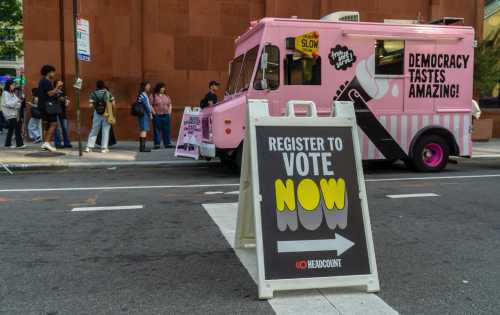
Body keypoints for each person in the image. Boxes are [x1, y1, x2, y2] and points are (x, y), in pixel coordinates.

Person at [38, 65, 63, 152]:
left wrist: (56, 91)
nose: (54, 74)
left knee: (47, 125)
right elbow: (50, 94)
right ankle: (47, 143)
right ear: (49, 72)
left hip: (43, 106)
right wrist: (57, 87)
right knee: (54, 124)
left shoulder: (42, 81)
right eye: (53, 72)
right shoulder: (46, 81)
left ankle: (45, 144)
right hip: (48, 106)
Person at [85, 80, 114, 153]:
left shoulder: (93, 94)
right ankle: (104, 148)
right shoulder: (108, 93)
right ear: (104, 86)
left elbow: (90, 105)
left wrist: (96, 106)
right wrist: (112, 112)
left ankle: (89, 147)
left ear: (97, 86)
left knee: (94, 129)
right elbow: (113, 103)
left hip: (97, 113)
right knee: (105, 130)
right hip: (107, 113)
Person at [1, 80, 25, 148]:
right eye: (12, 85)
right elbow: (9, 104)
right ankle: (19, 144)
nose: (13, 86)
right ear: (9, 85)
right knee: (17, 128)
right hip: (9, 113)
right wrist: (16, 102)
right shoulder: (5, 93)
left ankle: (7, 144)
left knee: (11, 129)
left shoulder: (13, 93)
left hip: (13, 113)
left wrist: (16, 103)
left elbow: (19, 104)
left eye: (14, 85)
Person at [151, 82, 173, 149]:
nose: (163, 89)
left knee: (167, 129)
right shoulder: (153, 96)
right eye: (162, 87)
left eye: (164, 87)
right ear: (158, 88)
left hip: (166, 115)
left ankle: (167, 143)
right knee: (157, 129)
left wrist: (169, 112)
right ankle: (157, 144)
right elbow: (150, 105)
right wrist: (154, 112)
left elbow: (170, 104)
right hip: (157, 115)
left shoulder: (166, 96)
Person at [54, 81, 72, 148]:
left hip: (62, 112)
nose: (61, 87)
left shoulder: (62, 92)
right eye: (59, 85)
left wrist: (65, 101)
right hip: (55, 112)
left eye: (61, 86)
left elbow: (63, 101)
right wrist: (64, 99)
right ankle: (58, 143)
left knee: (64, 128)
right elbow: (59, 99)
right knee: (57, 128)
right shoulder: (54, 92)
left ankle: (66, 142)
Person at [136, 81, 153, 152]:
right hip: (144, 114)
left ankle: (142, 147)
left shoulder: (142, 94)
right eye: (148, 85)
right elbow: (146, 105)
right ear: (144, 86)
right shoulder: (143, 94)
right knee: (144, 129)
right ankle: (142, 148)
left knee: (143, 129)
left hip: (142, 114)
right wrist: (150, 113)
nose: (149, 87)